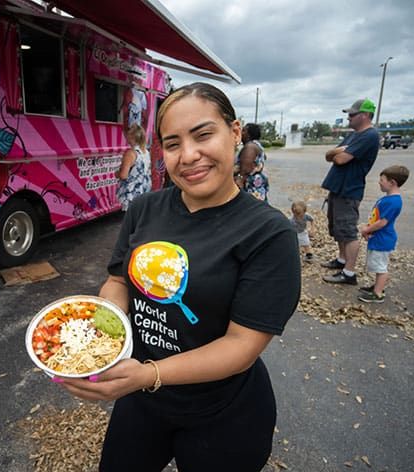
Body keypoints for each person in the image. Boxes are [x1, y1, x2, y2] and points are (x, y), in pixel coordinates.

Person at [55, 83, 301, 472]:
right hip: (144, 399)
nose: (188, 156)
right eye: (172, 144)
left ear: (234, 132)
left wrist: (147, 375)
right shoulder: (145, 208)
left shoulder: (269, 234)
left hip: (223, 411)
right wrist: (103, 332)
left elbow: (242, 346)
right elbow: (119, 281)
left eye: (203, 135)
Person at [321, 98, 380, 285]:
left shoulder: (369, 136)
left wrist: (338, 153)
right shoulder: (354, 135)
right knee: (338, 228)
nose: (349, 118)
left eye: (352, 114)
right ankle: (341, 260)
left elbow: (340, 160)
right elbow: (328, 155)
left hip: (349, 190)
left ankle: (349, 273)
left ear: (364, 115)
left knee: (348, 231)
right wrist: (338, 151)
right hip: (338, 188)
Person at [356, 165, 409, 303]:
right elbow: (376, 218)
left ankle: (378, 293)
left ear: (392, 183)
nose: (379, 182)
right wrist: (369, 229)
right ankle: (377, 287)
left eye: (382, 180)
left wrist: (367, 230)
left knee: (380, 267)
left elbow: (382, 222)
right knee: (377, 264)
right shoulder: (387, 198)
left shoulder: (394, 201)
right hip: (378, 237)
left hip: (383, 239)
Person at [116, 124, 151, 211]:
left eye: (127, 134)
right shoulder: (145, 152)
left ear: (131, 137)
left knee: (131, 219)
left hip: (132, 192)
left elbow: (123, 175)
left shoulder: (131, 153)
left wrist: (116, 173)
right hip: (143, 189)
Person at [235, 123, 269, 201]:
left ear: (249, 134)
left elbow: (246, 168)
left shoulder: (250, 147)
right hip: (257, 184)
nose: (241, 133)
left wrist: (240, 179)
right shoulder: (257, 145)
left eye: (244, 131)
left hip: (249, 185)